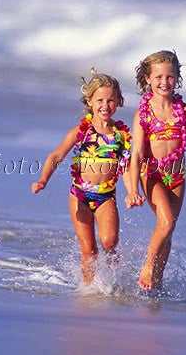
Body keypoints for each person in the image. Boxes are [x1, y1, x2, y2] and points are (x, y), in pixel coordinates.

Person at [125, 50, 186, 292]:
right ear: (147, 79)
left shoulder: (185, 111)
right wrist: (132, 189)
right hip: (152, 175)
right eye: (158, 77)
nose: (164, 82)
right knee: (165, 223)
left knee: (168, 229)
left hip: (177, 177)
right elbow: (135, 154)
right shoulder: (143, 114)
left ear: (177, 78)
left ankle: (157, 280)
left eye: (170, 77)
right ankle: (147, 266)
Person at [32, 69, 131, 285]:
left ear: (119, 101)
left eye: (111, 100)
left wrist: (133, 192)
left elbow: (128, 167)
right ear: (90, 101)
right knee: (89, 249)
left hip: (105, 195)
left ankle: (114, 283)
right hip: (79, 194)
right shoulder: (81, 131)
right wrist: (43, 179)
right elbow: (57, 155)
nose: (106, 105)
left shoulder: (121, 136)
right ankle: (89, 289)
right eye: (100, 100)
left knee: (110, 242)